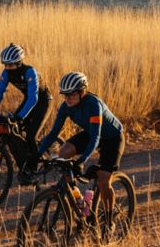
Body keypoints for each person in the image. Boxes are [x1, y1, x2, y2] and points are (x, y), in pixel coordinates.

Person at [34, 71, 125, 216]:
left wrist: (81, 161)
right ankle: (80, 202)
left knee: (103, 180)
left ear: (82, 92)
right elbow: (53, 133)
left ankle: (109, 218)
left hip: (113, 138)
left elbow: (96, 137)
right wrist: (37, 154)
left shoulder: (94, 104)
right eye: (65, 95)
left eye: (71, 95)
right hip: (91, 133)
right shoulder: (66, 107)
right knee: (64, 152)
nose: (67, 98)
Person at [0, 42, 50, 175]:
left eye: (11, 65)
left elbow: (34, 99)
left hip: (43, 101)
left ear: (19, 62)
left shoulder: (29, 72)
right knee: (12, 131)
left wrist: (20, 117)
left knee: (31, 135)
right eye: (6, 65)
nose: (8, 68)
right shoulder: (6, 73)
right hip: (29, 100)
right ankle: (25, 163)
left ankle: (34, 168)